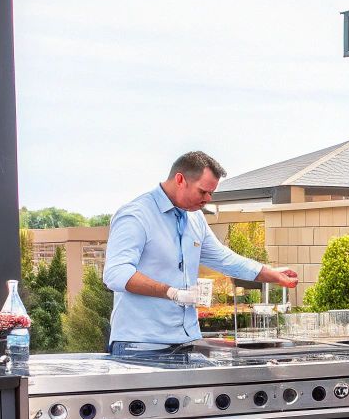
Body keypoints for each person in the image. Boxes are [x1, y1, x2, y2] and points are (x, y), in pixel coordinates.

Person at [102, 151, 300, 356]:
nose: (208, 199)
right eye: (203, 192)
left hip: (187, 342)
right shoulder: (136, 215)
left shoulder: (195, 218)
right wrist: (171, 292)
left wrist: (272, 274)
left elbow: (225, 259)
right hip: (141, 345)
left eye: (211, 193)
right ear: (180, 179)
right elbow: (116, 274)